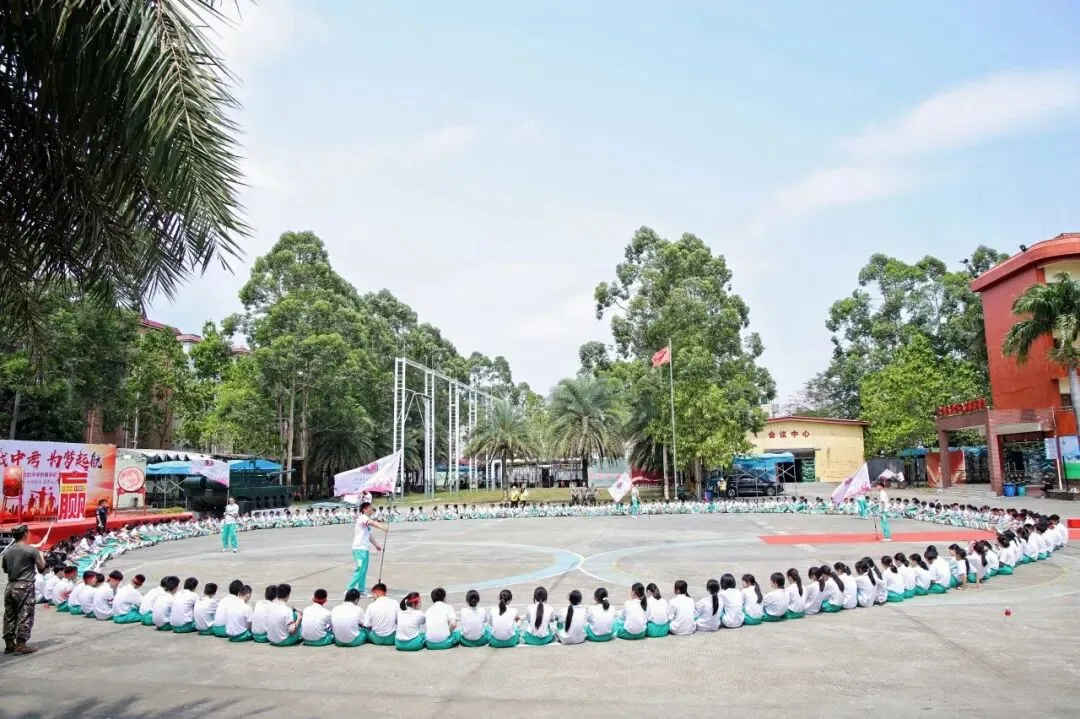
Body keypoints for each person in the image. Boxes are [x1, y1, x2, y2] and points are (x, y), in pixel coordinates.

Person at [2, 524, 46, 655]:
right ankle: (21, 644)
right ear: (25, 533)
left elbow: (5, 569)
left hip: (10, 585)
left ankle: (9, 644)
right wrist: (42, 557)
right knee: (25, 615)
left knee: (9, 615)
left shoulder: (7, 551)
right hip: (25, 585)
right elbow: (42, 567)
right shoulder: (31, 550)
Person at [347, 502, 386, 597]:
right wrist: (382, 527)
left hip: (364, 549)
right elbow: (372, 523)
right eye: (370, 507)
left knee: (363, 570)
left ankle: (361, 590)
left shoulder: (366, 520)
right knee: (360, 569)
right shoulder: (363, 518)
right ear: (364, 509)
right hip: (359, 549)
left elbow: (369, 535)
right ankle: (349, 589)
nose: (372, 509)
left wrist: (376, 545)